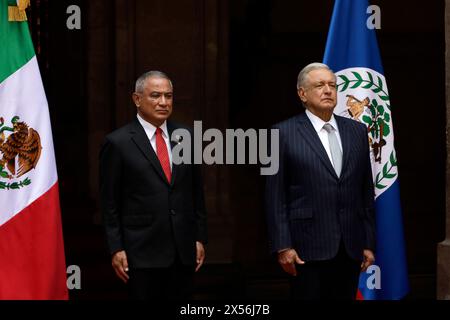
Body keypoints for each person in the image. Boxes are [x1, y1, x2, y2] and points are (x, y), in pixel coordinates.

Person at [265, 62, 376, 300]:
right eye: (319, 85)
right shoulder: (280, 134)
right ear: (302, 93)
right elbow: (275, 197)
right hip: (306, 249)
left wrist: (367, 242)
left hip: (350, 248)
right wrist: (283, 246)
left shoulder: (357, 131)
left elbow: (365, 190)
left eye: (332, 85)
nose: (328, 90)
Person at [99, 71, 207, 300]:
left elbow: (196, 192)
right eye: (155, 96)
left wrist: (199, 237)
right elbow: (109, 202)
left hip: (182, 250)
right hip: (140, 252)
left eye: (168, 96)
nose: (163, 102)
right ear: (137, 99)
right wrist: (116, 248)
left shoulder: (186, 135)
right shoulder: (117, 143)